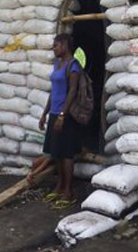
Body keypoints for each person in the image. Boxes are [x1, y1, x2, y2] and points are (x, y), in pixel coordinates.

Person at [39, 33, 84, 208]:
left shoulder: (73, 66)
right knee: (55, 152)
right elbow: (53, 91)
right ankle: (59, 187)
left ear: (65, 45)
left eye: (56, 45)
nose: (54, 48)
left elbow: (72, 92)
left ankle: (69, 192)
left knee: (66, 154)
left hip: (66, 117)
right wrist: (45, 114)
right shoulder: (58, 64)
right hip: (54, 114)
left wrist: (62, 116)